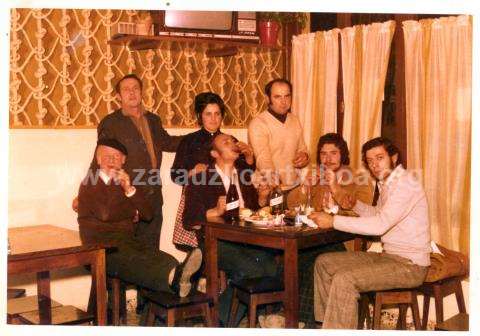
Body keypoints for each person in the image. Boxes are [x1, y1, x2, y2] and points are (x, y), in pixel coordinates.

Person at [309, 137, 431, 329]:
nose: (374, 165)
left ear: (394, 157)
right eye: (370, 161)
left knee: (345, 279)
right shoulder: (389, 182)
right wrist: (355, 205)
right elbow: (379, 214)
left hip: (411, 266)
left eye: (379, 158)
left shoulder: (406, 184)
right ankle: (325, 327)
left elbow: (380, 225)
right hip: (390, 257)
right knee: (323, 263)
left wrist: (333, 221)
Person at [77, 139, 202, 305]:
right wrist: (132, 211)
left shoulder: (127, 181)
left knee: (161, 257)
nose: (111, 160)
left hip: (126, 241)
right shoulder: (89, 182)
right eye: (106, 156)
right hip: (99, 247)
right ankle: (176, 281)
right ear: (98, 160)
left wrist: (129, 189)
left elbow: (148, 214)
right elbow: (106, 214)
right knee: (137, 261)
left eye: (116, 156)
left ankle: (178, 276)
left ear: (124, 161)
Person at [183, 133, 279, 327]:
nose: (233, 144)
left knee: (272, 266)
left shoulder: (244, 176)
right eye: (226, 142)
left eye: (234, 141)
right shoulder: (201, 179)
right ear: (214, 153)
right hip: (215, 242)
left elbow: (252, 212)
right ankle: (220, 321)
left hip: (246, 239)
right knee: (250, 269)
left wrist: (262, 198)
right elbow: (190, 220)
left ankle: (246, 314)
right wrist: (215, 211)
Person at [285, 133, 373, 328]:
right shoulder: (317, 176)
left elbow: (363, 214)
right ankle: (292, 319)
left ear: (343, 155)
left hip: (346, 243)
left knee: (311, 262)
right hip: (315, 240)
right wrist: (306, 186)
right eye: (323, 154)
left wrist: (334, 189)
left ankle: (309, 324)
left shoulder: (358, 178)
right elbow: (291, 204)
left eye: (333, 153)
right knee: (291, 260)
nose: (328, 159)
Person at [94, 73, 183, 250]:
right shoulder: (111, 123)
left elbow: (168, 142)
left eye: (136, 88)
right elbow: (102, 159)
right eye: (126, 90)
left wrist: (201, 137)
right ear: (118, 96)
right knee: (129, 253)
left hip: (154, 196)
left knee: (151, 251)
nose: (132, 93)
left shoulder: (153, 120)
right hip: (127, 196)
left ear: (142, 93)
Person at [170, 92, 254, 250]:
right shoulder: (189, 141)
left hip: (230, 201)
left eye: (217, 114)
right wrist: (191, 172)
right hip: (202, 202)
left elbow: (245, 175)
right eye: (208, 114)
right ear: (199, 116)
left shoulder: (230, 140)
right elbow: (175, 175)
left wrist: (249, 158)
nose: (213, 119)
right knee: (204, 248)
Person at [248, 78, 309, 192]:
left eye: (287, 96)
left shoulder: (294, 120)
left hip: (293, 187)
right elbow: (263, 159)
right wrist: (275, 183)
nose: (283, 101)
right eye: (277, 97)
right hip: (267, 189)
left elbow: (302, 149)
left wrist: (304, 157)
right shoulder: (258, 124)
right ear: (267, 98)